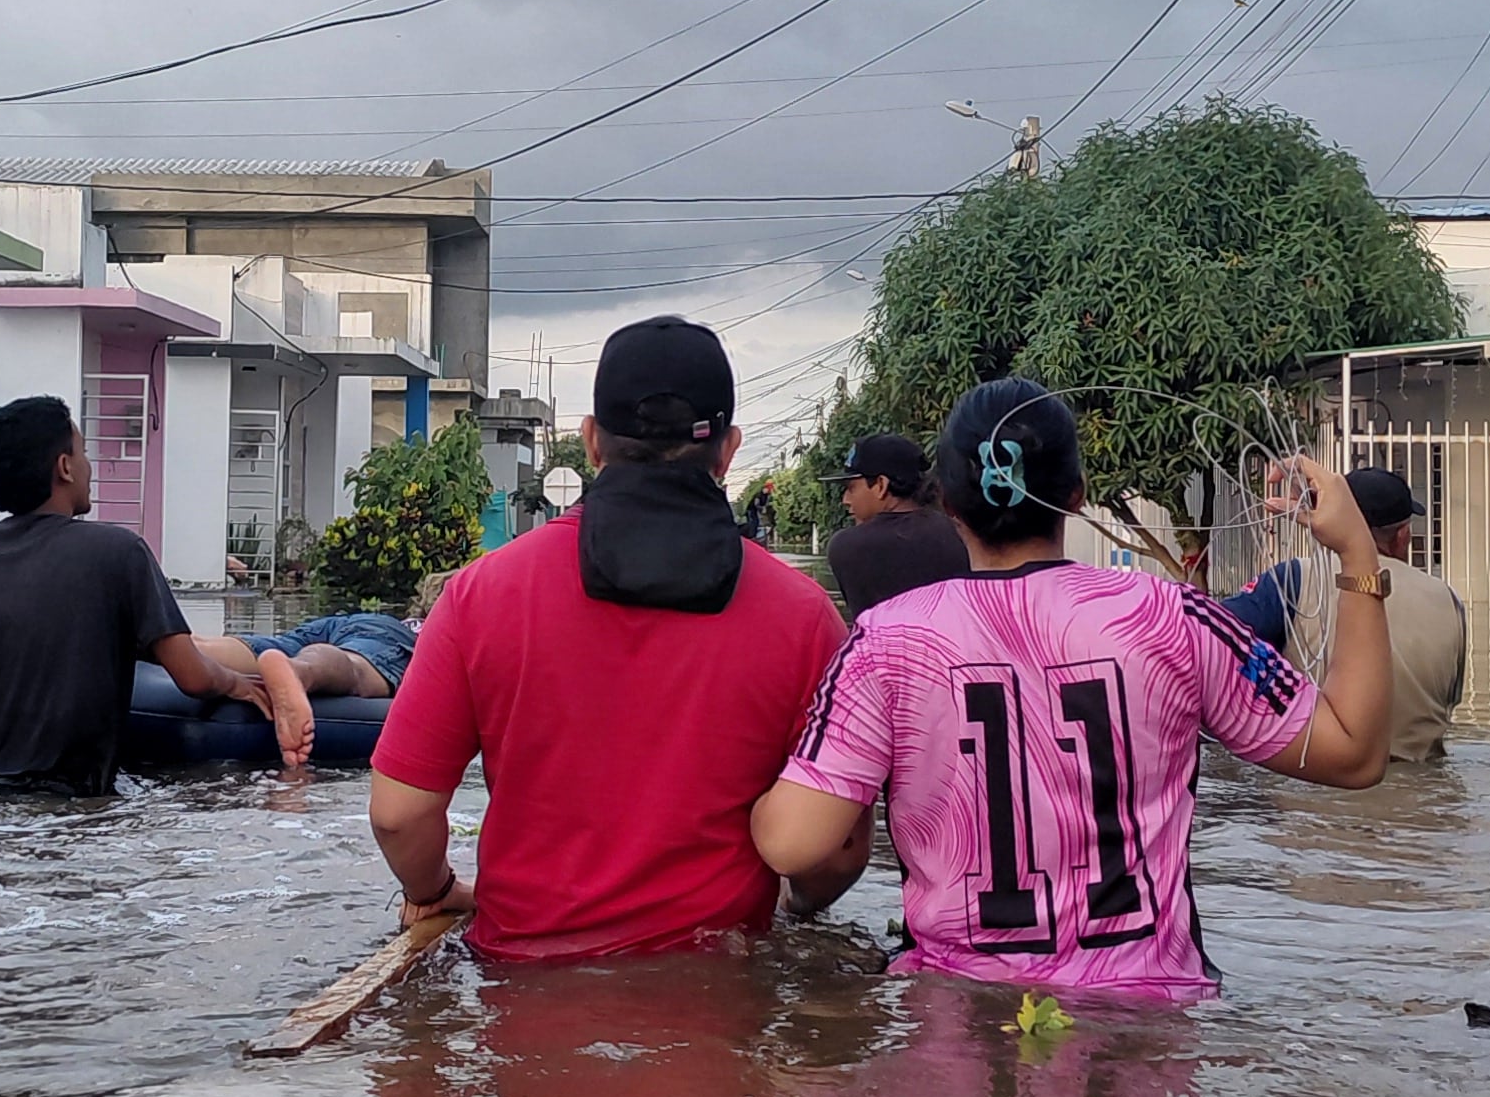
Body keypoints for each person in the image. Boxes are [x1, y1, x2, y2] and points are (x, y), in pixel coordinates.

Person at [750, 379, 1392, 1000]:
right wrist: (1358, 555)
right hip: (1150, 1013)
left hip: (956, 1014)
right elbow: (1355, 753)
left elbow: (794, 844)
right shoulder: (1169, 615)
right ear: (1078, 495)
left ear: (947, 503)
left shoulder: (887, 640)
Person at [367, 316, 844, 960]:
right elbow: (835, 849)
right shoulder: (807, 617)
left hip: (517, 986)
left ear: (591, 442)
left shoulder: (481, 594)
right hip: (717, 991)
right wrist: (794, 909)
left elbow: (398, 813)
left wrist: (440, 888)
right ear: (728, 450)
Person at [0, 393, 267, 793]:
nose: (90, 467)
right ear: (65, 467)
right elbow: (192, 676)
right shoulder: (118, 552)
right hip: (65, 799)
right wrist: (237, 683)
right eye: (83, 452)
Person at [1219, 463, 1468, 761]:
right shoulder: (1449, 600)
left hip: (1310, 788)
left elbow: (1210, 644)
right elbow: (1449, 701)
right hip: (1425, 792)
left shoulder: (1293, 580)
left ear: (1333, 521)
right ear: (1403, 536)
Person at [178, 609, 415, 765]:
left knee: (223, 647)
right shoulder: (427, 630)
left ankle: (164, 643)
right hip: (388, 634)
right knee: (356, 668)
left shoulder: (394, 618)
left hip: (344, 622)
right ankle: (298, 670)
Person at [821, 429, 973, 620]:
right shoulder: (963, 534)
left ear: (881, 485)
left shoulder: (846, 547)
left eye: (851, 488)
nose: (846, 499)